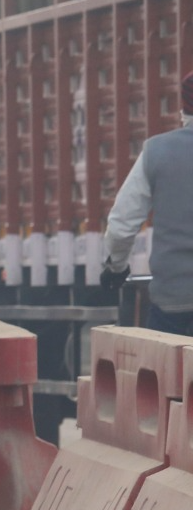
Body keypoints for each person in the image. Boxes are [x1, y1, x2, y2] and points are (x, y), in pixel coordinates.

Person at [102, 72, 193, 332]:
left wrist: (116, 267)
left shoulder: (157, 151)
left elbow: (121, 224)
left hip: (174, 306)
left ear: (184, 109)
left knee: (168, 371)